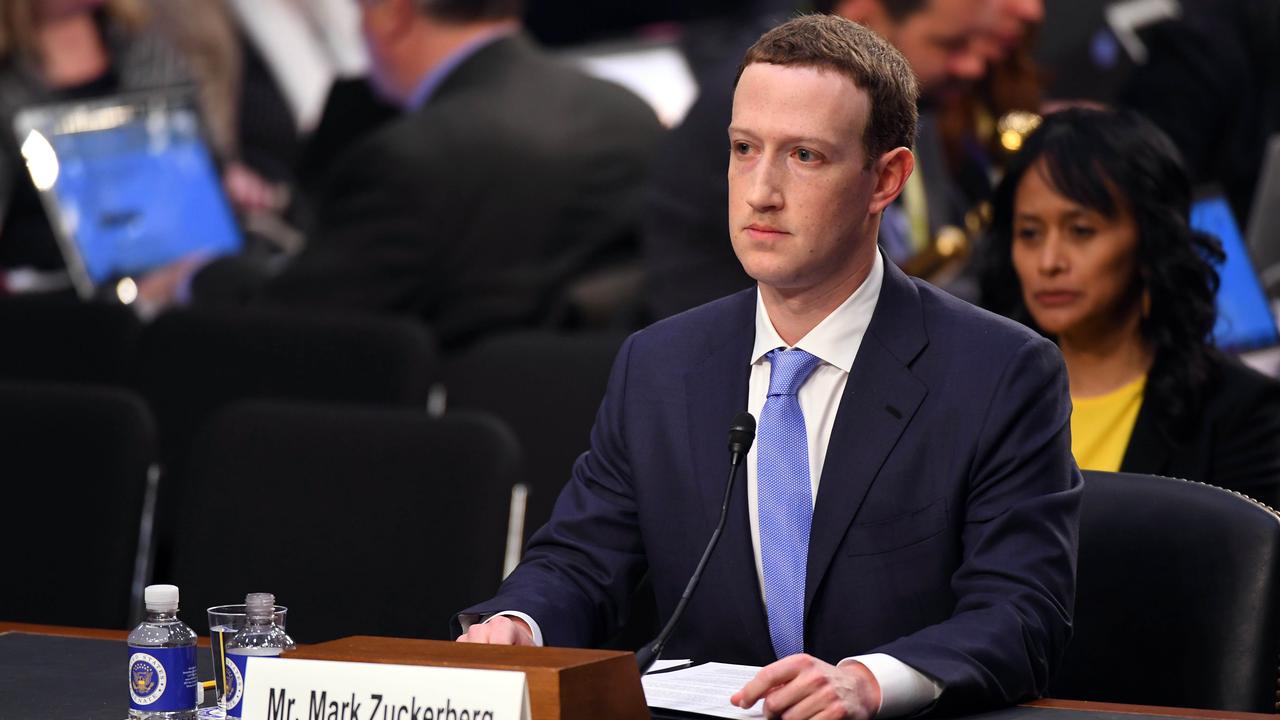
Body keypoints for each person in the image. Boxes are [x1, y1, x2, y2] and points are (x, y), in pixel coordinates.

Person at [458, 15, 1081, 719]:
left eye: (805, 156)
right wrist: (519, 626)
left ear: (886, 179)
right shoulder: (660, 364)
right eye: (744, 149)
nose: (761, 191)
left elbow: (1022, 614)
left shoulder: (999, 373)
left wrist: (871, 681)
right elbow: (580, 561)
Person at [181, 0, 662, 348]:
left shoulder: (411, 157)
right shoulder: (627, 112)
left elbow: (289, 324)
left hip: (436, 432)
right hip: (595, 426)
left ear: (393, 14)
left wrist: (197, 278)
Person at [978, 108, 1280, 507]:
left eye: (1081, 231)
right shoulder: (976, 395)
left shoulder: (1240, 416)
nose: (1049, 261)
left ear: (1151, 238)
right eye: (1029, 233)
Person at [641, 0, 994, 321]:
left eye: (804, 155)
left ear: (890, 176)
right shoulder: (754, 98)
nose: (973, 66)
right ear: (866, 19)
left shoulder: (920, 105)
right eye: (951, 44)